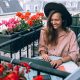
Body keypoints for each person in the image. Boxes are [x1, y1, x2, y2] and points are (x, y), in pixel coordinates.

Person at [39, 2, 79, 69]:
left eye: (56, 20)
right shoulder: (44, 31)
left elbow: (75, 53)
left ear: (62, 20)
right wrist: (43, 54)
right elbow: (42, 47)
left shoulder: (70, 34)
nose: (53, 23)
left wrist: (61, 60)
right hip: (49, 63)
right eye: (51, 20)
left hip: (65, 64)